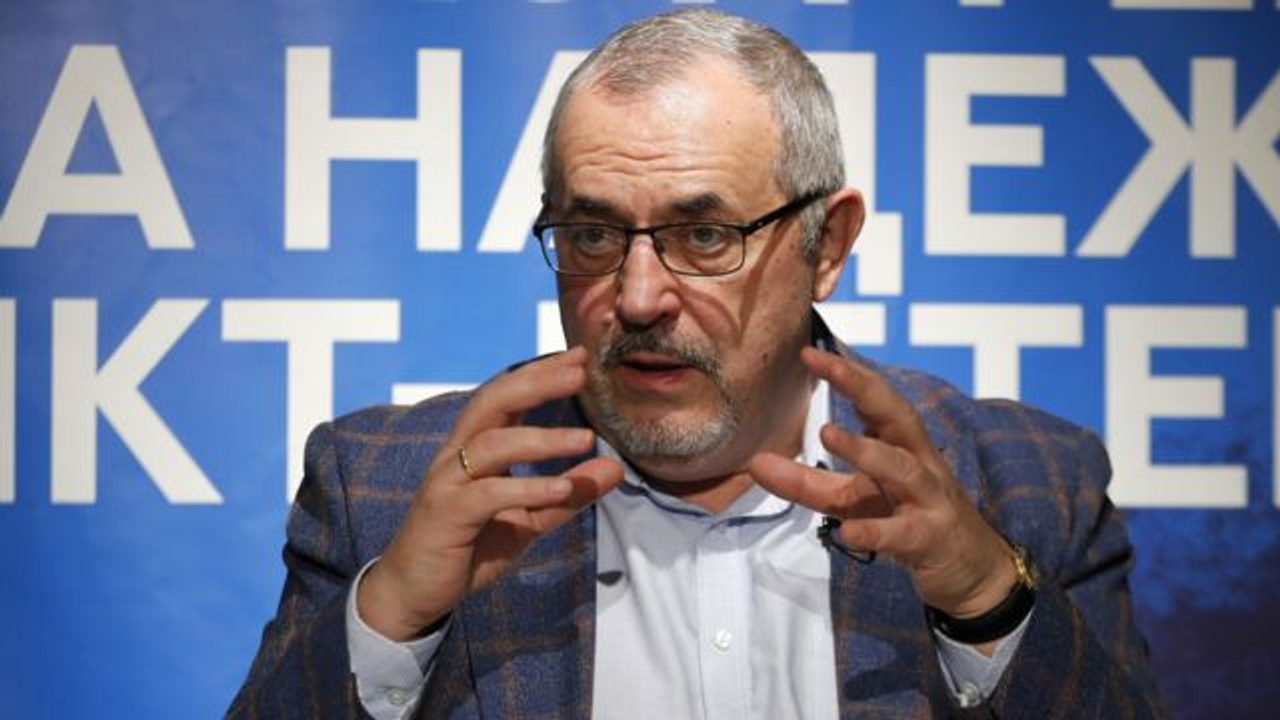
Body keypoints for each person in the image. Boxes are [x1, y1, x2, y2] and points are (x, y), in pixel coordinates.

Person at [229, 9, 1162, 719]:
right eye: (592, 233)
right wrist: (391, 620)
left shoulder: (1027, 487)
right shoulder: (383, 487)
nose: (638, 297)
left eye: (705, 235)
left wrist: (987, 603)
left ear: (827, 244)